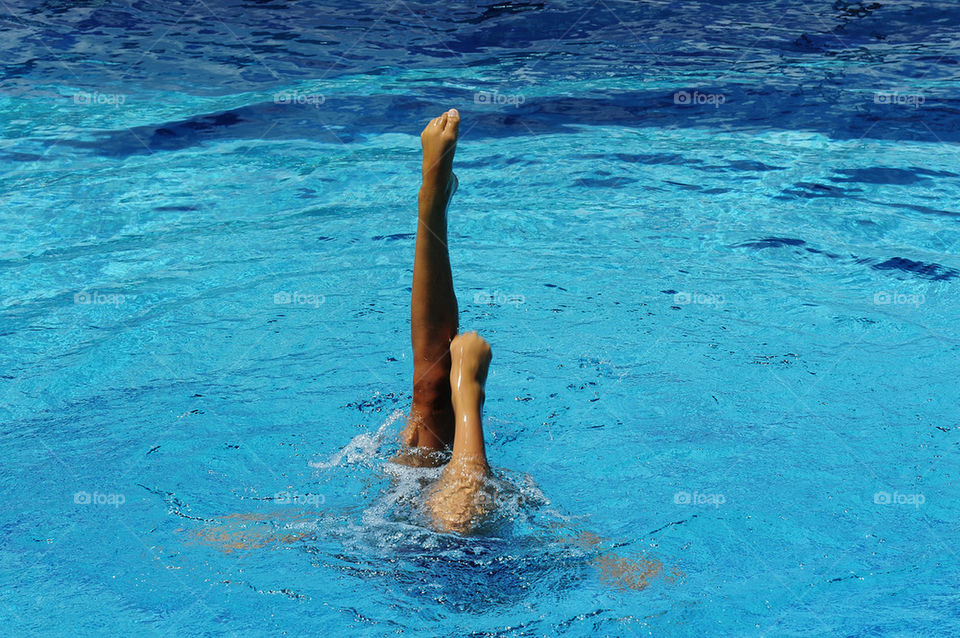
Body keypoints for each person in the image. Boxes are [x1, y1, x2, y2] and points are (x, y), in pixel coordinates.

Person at [394, 108, 496, 534]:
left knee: (429, 393)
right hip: (473, 560)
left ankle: (431, 205)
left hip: (400, 543)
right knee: (458, 519)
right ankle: (467, 397)